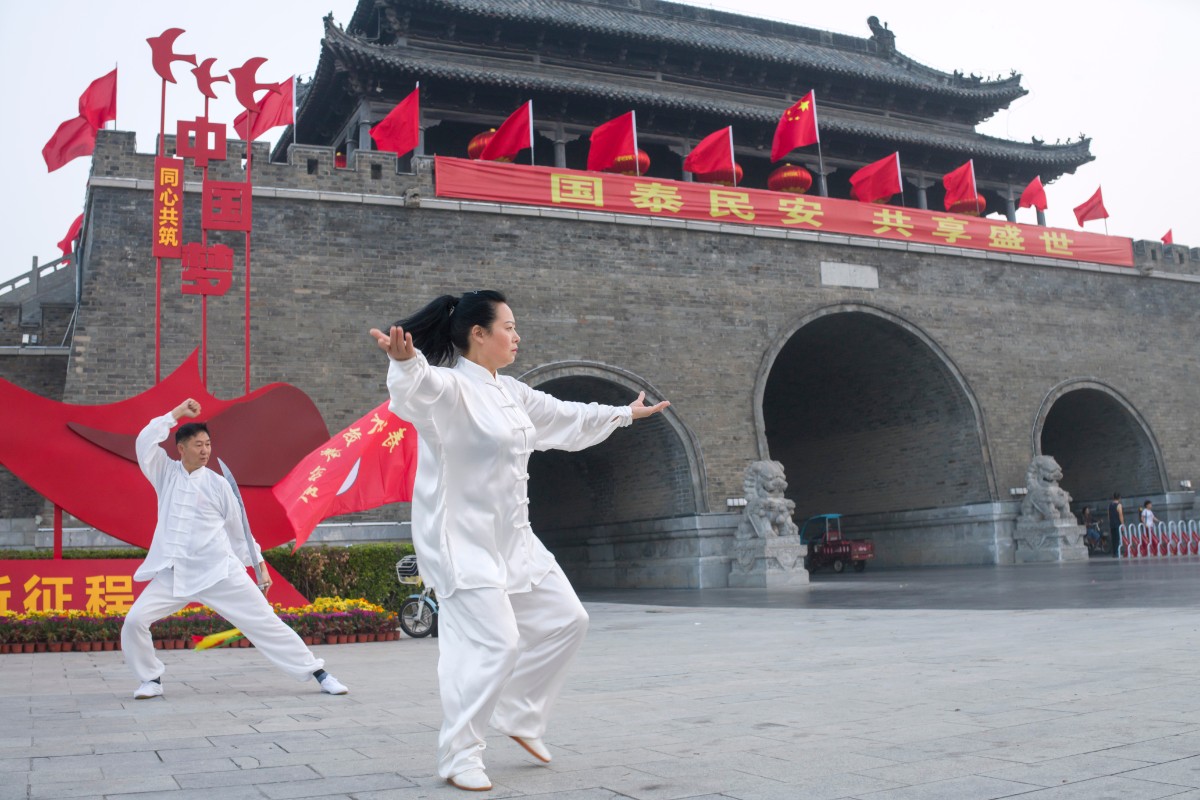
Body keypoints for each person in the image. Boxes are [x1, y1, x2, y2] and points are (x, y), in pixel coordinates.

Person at [370, 290, 670, 792]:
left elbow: (565, 416)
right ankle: (460, 754)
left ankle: (520, 712)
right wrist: (405, 364)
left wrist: (622, 414)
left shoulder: (511, 392)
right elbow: (415, 390)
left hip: (514, 537)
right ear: (478, 334)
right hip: (461, 540)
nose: (517, 336)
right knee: (496, 644)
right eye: (508, 327)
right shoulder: (449, 387)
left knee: (568, 620)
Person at [120, 398, 349, 700]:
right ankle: (151, 679)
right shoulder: (165, 473)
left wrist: (260, 566)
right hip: (174, 574)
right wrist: (176, 413)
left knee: (265, 622)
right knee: (134, 621)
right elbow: (144, 442)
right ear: (181, 449)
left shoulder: (218, 485)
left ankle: (320, 674)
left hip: (219, 572)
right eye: (198, 445)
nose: (205, 450)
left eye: (208, 444)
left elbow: (239, 531)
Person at [1108, 493, 1124, 557]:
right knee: (1117, 538)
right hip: (1117, 524)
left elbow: (1109, 515)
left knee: (1113, 539)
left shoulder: (1110, 505)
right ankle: (1117, 552)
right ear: (1119, 498)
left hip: (1112, 524)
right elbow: (1120, 515)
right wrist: (1122, 524)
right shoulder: (1119, 505)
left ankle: (1114, 553)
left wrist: (1110, 522)